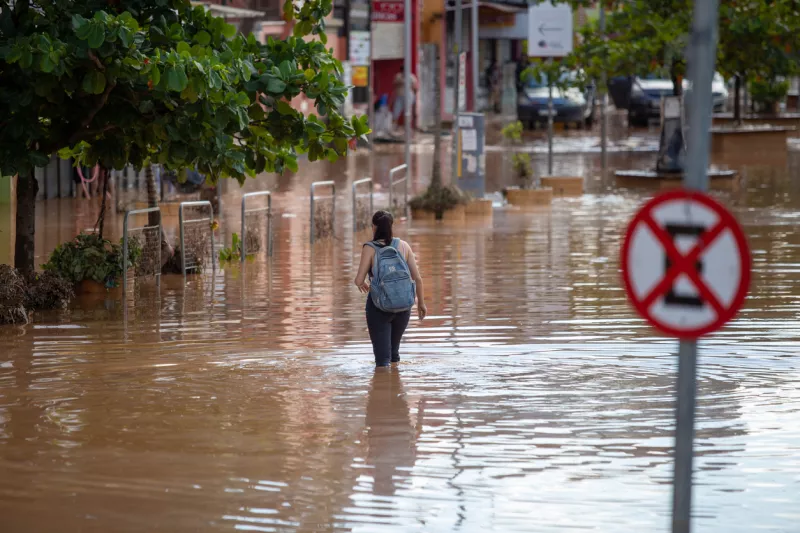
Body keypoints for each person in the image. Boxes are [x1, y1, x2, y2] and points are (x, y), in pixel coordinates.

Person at [354, 211, 426, 367]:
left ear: (373, 227)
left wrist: (362, 284)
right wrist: (421, 304)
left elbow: (359, 279)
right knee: (394, 356)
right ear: (391, 226)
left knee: (382, 361)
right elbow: (418, 278)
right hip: (403, 307)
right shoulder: (404, 246)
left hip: (378, 307)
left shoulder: (370, 248)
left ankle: (382, 388)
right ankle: (396, 389)